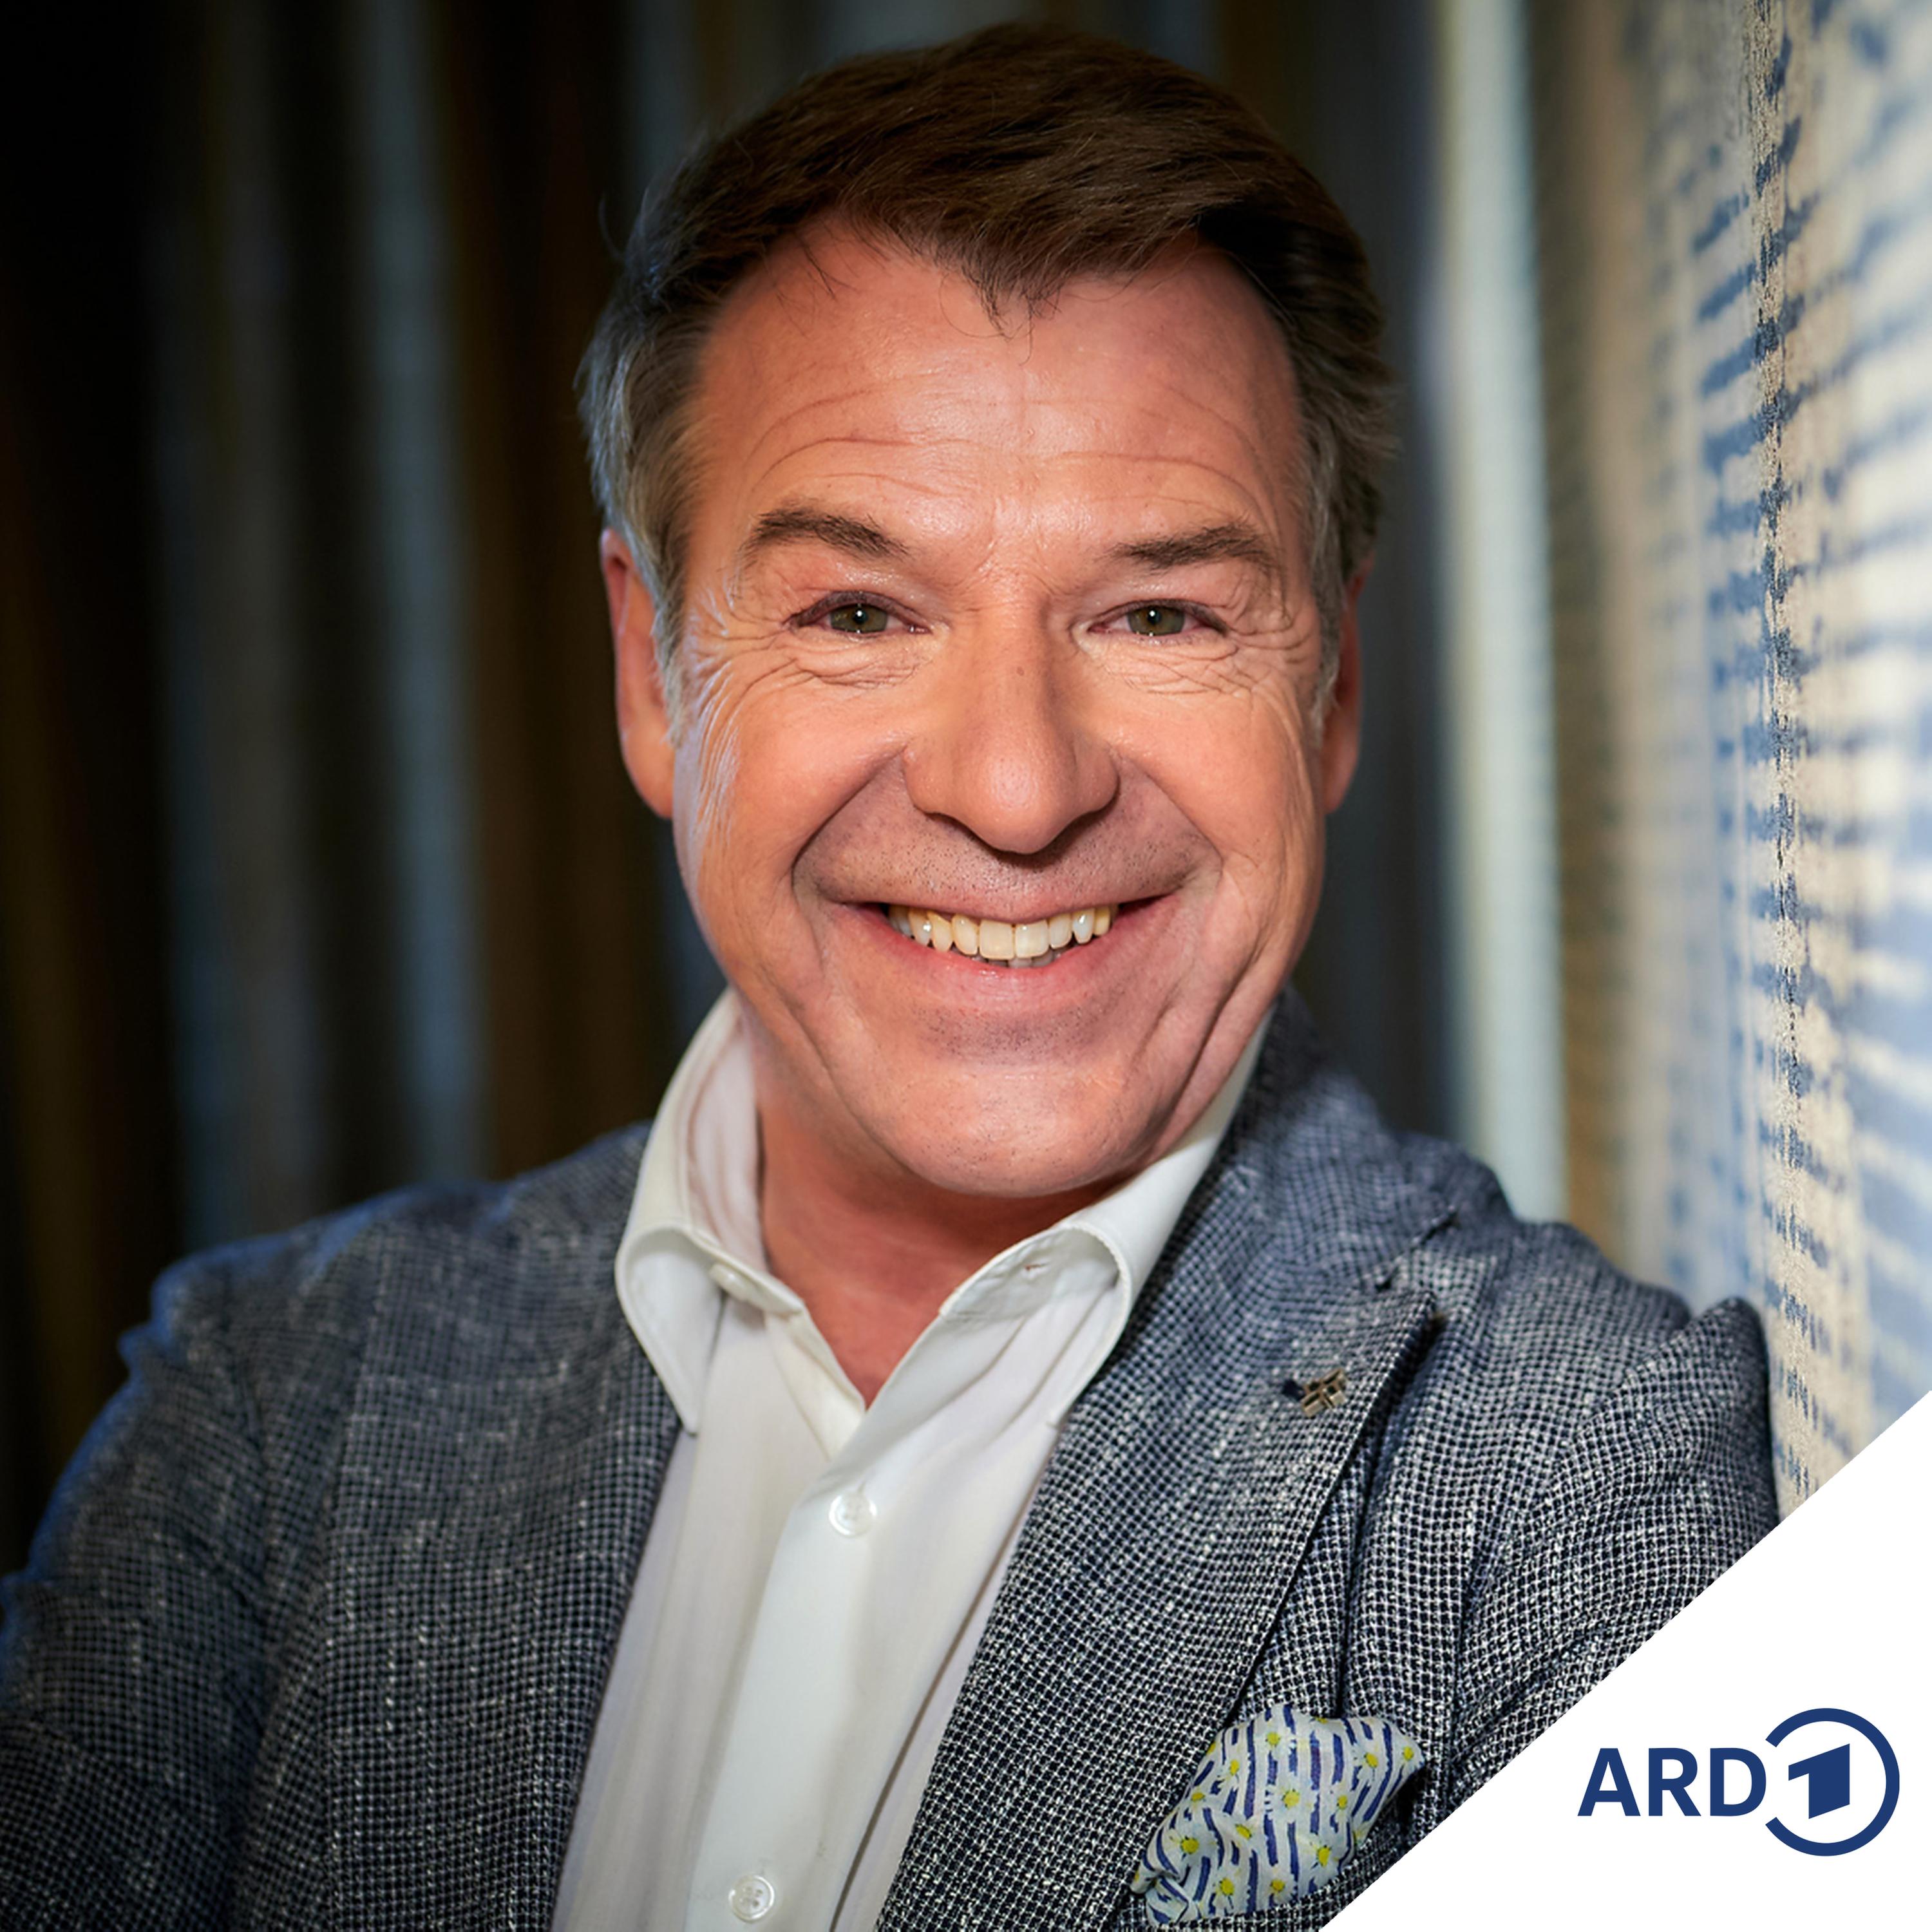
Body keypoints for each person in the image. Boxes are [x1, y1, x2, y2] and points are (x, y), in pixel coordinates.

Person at [0, 24, 1775, 1931]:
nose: (1015, 788)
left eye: (1161, 613)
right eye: (858, 611)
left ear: (1330, 687)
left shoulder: (1587, 1478)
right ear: (651, 675)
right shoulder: (266, 1421)